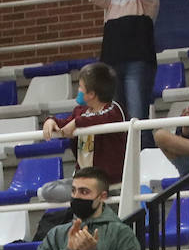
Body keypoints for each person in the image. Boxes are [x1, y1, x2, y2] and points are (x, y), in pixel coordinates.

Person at [81, 0, 159, 125]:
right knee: (116, 119)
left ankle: (142, 154)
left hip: (138, 63)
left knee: (136, 117)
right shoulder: (111, 0)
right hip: (111, 65)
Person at [38, 62, 127, 202]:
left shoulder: (114, 110)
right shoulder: (80, 112)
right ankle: (82, 196)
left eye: (80, 87)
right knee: (47, 190)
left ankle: (85, 197)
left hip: (109, 184)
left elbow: (99, 119)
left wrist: (76, 123)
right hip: (81, 179)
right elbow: (64, 125)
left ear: (91, 94)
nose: (78, 90)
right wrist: (50, 121)